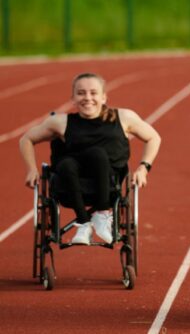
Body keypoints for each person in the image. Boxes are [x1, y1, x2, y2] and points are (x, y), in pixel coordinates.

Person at [19, 72, 161, 245]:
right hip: (71, 185)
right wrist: (31, 169)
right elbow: (26, 139)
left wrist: (143, 168)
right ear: (73, 98)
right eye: (81, 93)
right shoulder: (60, 122)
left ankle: (102, 214)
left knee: (98, 154)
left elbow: (154, 137)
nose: (87, 98)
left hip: (109, 185)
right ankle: (84, 223)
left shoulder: (123, 117)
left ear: (103, 97)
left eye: (93, 93)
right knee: (66, 164)